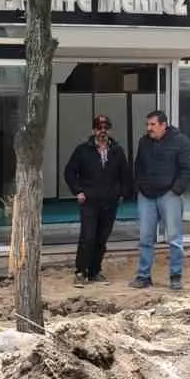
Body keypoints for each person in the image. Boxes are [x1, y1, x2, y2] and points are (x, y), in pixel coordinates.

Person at [63, 114, 132, 285]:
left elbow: (126, 174)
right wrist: (78, 191)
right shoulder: (82, 150)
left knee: (102, 238)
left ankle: (95, 271)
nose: (103, 131)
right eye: (99, 128)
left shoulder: (117, 151)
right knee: (88, 237)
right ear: (93, 130)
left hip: (110, 202)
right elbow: (70, 172)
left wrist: (122, 193)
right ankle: (80, 272)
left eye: (106, 128)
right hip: (89, 201)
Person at [132, 109, 190, 290]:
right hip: (146, 195)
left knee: (174, 238)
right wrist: (140, 187)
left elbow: (187, 170)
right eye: (148, 124)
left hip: (169, 195)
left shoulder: (180, 141)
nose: (149, 128)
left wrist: (176, 190)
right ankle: (143, 276)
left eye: (152, 124)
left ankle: (175, 276)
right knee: (145, 238)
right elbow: (138, 166)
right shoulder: (144, 142)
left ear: (163, 125)